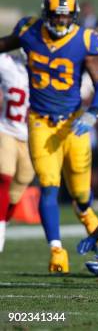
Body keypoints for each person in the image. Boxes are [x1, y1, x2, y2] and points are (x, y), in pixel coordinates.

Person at [0, 0, 98, 273]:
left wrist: (93, 113)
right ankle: (56, 249)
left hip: (74, 122)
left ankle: (85, 212)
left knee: (81, 192)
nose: (61, 24)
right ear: (45, 14)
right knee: (49, 186)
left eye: (65, 18)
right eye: (56, 18)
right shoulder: (28, 30)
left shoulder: (86, 40)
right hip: (40, 122)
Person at [0, 53, 35, 252]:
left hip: (31, 136)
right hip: (6, 129)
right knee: (5, 175)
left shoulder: (47, 72)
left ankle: (4, 220)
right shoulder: (8, 65)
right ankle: (0, 228)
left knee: (22, 181)